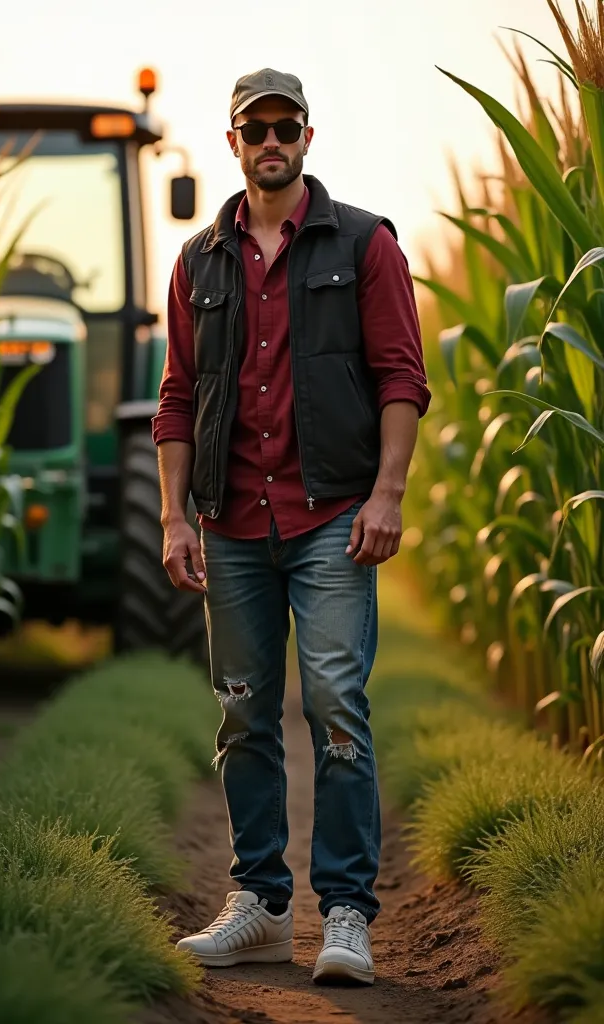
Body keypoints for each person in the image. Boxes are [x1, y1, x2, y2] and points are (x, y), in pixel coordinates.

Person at [152, 68, 430, 986]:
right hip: (229, 524)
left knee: (338, 708)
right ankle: (263, 907)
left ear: (307, 135)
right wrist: (173, 516)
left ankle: (346, 912)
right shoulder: (199, 261)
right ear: (233, 141)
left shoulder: (365, 244)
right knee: (242, 714)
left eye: (286, 125)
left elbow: (400, 376)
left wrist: (387, 493)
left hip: (333, 519)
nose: (270, 141)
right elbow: (179, 398)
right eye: (253, 128)